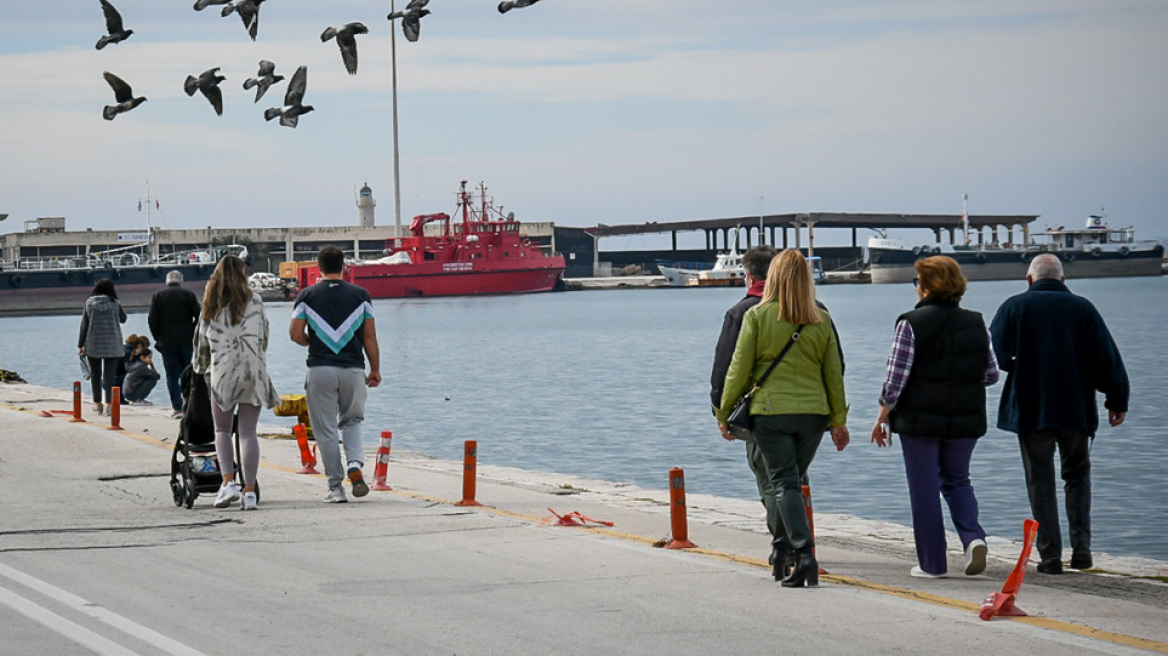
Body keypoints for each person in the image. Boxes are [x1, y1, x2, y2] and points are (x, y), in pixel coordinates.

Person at [715, 249, 849, 587]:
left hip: (770, 413)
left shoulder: (757, 316)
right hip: (813, 416)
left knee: (784, 483)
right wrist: (838, 420)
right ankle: (779, 550)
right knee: (792, 480)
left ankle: (803, 556)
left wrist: (723, 412)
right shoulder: (822, 319)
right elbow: (834, 374)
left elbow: (737, 370)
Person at [989, 253, 1128, 574]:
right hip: (1076, 408)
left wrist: (1017, 364)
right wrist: (1117, 400)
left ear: (1029, 279)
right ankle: (1082, 550)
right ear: (1063, 280)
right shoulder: (1083, 308)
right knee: (1077, 477)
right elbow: (1107, 358)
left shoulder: (1014, 307)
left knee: (1040, 480)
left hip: (1031, 410)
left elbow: (991, 356)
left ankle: (1050, 556)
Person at [871, 255, 999, 579]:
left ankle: (933, 564)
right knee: (957, 479)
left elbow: (896, 378)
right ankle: (973, 538)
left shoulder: (911, 322)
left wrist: (883, 414)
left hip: (920, 421)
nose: (916, 288)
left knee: (924, 488)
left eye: (918, 282)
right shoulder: (976, 322)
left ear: (926, 287)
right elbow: (991, 374)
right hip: (966, 418)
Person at [290, 246, 381, 503]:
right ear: (343, 267)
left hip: (320, 369)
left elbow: (295, 334)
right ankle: (354, 463)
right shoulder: (361, 296)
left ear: (318, 267)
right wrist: (375, 369)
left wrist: (313, 342)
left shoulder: (307, 296)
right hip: (353, 369)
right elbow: (370, 337)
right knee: (352, 421)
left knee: (326, 429)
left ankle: (336, 488)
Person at [193, 255, 280, 511]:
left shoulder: (211, 304)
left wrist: (200, 368)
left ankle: (228, 483)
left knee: (222, 430)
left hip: (223, 373)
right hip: (253, 371)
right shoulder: (256, 301)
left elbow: (201, 343)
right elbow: (264, 335)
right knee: (248, 432)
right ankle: (249, 492)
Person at [149, 270, 202, 418]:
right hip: (186, 340)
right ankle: (188, 404)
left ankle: (177, 407)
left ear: (167, 281)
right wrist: (193, 332)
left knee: (171, 374)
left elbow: (152, 319)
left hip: (167, 341)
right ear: (181, 281)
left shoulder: (158, 295)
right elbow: (200, 316)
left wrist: (158, 337)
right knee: (187, 373)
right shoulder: (189, 295)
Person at [78, 278, 127, 416]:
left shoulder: (89, 303)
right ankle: (109, 405)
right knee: (110, 375)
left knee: (95, 374)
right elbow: (123, 319)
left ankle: (97, 403)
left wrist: (80, 345)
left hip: (93, 343)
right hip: (112, 343)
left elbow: (84, 325)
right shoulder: (115, 303)